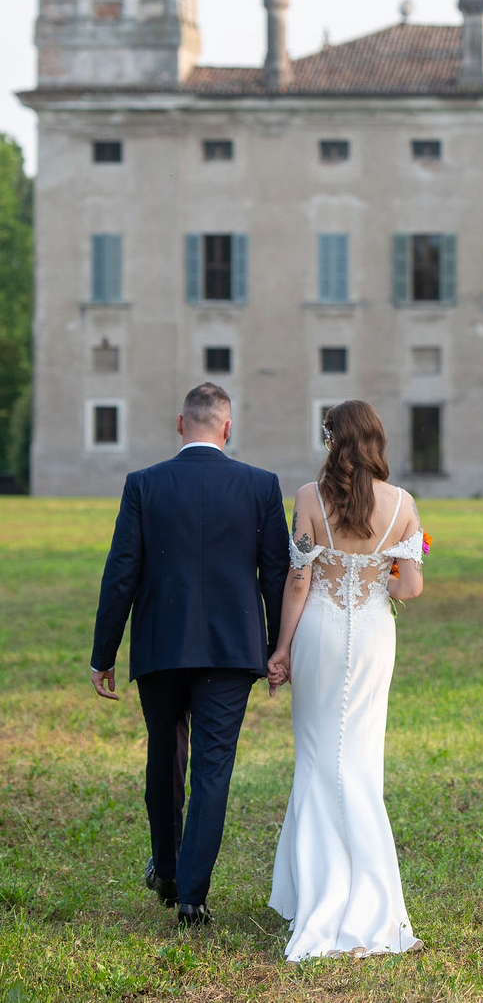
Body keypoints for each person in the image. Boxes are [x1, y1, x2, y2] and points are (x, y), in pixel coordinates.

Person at [90, 382, 289, 927]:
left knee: (165, 755)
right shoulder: (261, 486)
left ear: (181, 425)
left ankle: (170, 869)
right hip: (232, 647)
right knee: (212, 768)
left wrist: (102, 652)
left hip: (162, 644)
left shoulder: (144, 484)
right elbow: (276, 576)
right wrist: (278, 650)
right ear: (227, 428)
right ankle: (192, 896)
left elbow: (120, 573)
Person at [267, 399, 425, 960]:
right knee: (358, 758)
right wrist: (394, 562)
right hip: (374, 638)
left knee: (315, 755)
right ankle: (369, 895)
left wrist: (281, 650)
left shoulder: (310, 497)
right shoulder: (403, 504)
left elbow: (297, 582)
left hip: (320, 634)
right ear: (377, 440)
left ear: (332, 440)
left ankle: (312, 894)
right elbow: (408, 590)